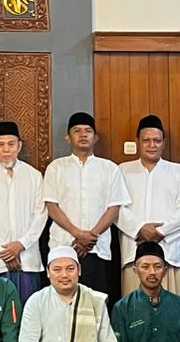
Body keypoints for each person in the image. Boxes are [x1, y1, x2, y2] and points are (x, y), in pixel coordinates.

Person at [43, 112, 130, 299]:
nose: (83, 134)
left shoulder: (109, 168)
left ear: (95, 138)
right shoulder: (56, 167)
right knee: (62, 302)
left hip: (97, 248)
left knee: (96, 304)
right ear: (68, 138)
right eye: (77, 131)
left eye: (88, 131)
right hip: (64, 245)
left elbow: (114, 207)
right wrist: (78, 234)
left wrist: (91, 236)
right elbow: (52, 206)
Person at [117, 115, 180, 300]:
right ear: (138, 141)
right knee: (135, 308)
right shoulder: (121, 171)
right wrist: (140, 228)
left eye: (157, 141)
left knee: (174, 307)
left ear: (164, 142)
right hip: (134, 250)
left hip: (170, 251)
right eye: (146, 140)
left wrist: (160, 232)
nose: (152, 145)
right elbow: (115, 208)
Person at [0, 121, 47, 303]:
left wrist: (21, 244)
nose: (6, 150)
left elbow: (41, 214)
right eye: (1, 145)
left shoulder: (34, 176)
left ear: (19, 146)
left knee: (28, 311)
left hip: (27, 258)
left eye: (11, 144)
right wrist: (5, 251)